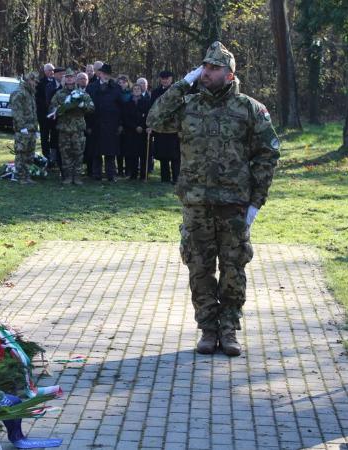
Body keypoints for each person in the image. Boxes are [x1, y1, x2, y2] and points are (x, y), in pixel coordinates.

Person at [147, 42, 280, 356]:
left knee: (234, 269)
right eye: (204, 67)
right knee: (199, 267)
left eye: (214, 68)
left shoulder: (250, 109)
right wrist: (182, 84)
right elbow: (155, 119)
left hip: (234, 205)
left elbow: (267, 155)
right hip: (196, 203)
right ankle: (208, 329)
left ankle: (229, 329)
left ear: (230, 74)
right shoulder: (189, 105)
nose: (207, 73)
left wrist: (256, 202)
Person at [50, 70, 95, 185]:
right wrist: (60, 109)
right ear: (64, 79)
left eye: (71, 77)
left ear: (75, 79)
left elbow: (91, 108)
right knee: (65, 154)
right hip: (64, 129)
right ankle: (68, 177)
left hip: (78, 130)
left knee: (78, 154)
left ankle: (78, 177)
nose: (69, 79)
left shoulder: (82, 94)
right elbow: (51, 109)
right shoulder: (59, 94)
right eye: (67, 77)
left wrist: (82, 105)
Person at [89, 63, 122, 181]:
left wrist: (120, 124)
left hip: (111, 124)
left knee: (110, 152)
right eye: (103, 73)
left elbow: (121, 106)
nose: (105, 76)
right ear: (99, 74)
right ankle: (96, 174)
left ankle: (111, 174)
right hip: (96, 123)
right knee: (96, 151)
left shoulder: (116, 87)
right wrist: (89, 125)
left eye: (108, 74)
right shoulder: (92, 87)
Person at [10, 71, 40, 184]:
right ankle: (20, 176)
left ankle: (27, 176)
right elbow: (17, 112)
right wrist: (22, 127)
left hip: (31, 129)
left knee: (30, 154)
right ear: (29, 80)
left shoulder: (30, 93)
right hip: (23, 130)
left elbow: (33, 112)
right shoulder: (19, 93)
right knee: (21, 153)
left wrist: (35, 129)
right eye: (35, 81)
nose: (36, 84)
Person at [150, 70, 180, 183]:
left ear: (171, 79)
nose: (165, 80)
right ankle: (165, 178)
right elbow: (152, 109)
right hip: (161, 129)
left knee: (175, 155)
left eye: (167, 78)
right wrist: (151, 125)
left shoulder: (177, 91)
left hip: (174, 129)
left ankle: (176, 178)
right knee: (163, 155)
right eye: (163, 78)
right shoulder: (156, 92)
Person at [120, 84, 151, 179]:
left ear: (141, 90)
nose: (136, 90)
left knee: (143, 154)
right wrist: (135, 127)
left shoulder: (147, 102)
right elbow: (125, 118)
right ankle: (133, 174)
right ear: (132, 91)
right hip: (131, 132)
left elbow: (148, 116)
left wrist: (142, 126)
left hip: (143, 132)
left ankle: (143, 175)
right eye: (135, 89)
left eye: (138, 89)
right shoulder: (127, 103)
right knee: (132, 154)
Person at [36, 63, 59, 162]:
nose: (51, 72)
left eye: (53, 70)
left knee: (54, 136)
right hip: (43, 115)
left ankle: (53, 158)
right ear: (45, 72)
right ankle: (46, 156)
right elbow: (37, 99)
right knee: (44, 136)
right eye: (49, 70)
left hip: (54, 115)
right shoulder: (40, 83)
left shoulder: (57, 82)